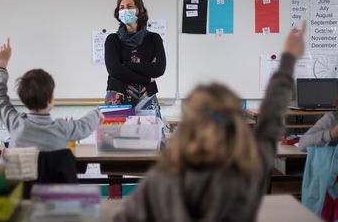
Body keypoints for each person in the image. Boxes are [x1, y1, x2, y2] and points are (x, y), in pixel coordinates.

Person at [113, 23, 307, 222]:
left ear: (187, 127)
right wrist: (288, 60)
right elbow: (270, 120)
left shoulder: (161, 181)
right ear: (235, 125)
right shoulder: (249, 171)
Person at [0, 39, 102, 151]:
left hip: (23, 169)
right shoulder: (62, 129)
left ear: (23, 98)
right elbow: (84, 125)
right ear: (51, 99)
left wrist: (2, 64)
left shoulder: (15, 123)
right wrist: (97, 114)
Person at [104, 0, 166, 116]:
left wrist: (126, 65)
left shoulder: (154, 38)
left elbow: (159, 69)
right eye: (121, 8)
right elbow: (114, 70)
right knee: (115, 134)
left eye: (129, 6)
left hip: (146, 98)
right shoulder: (112, 39)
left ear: (139, 10)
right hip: (117, 98)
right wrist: (147, 78)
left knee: (149, 135)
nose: (125, 10)